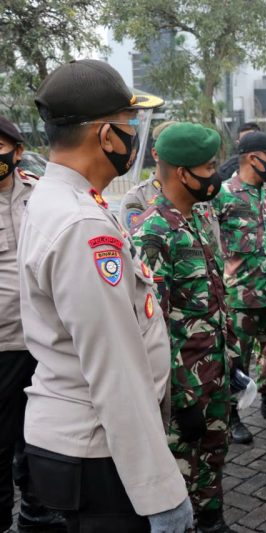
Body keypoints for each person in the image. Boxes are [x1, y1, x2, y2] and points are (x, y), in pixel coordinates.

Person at [19, 59, 192, 532]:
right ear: (105, 135)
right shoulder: (82, 226)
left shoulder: (62, 200)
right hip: (99, 450)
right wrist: (161, 492)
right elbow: (114, 368)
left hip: (86, 441)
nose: (137, 134)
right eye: (130, 122)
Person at [131, 122, 238, 533]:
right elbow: (149, 324)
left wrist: (232, 357)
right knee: (181, 472)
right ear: (183, 174)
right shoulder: (154, 232)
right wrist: (182, 395)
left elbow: (211, 299)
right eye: (209, 167)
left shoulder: (195, 218)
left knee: (213, 457)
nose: (216, 174)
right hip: (183, 390)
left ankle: (212, 519)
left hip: (215, 374)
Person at [0, 116, 65, 532]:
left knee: (38, 432)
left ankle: (36, 510)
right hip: (2, 344)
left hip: (42, 341)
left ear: (16, 151)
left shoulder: (39, 194)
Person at [214, 132, 266, 446]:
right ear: (251, 158)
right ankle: (232, 414)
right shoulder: (223, 195)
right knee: (237, 359)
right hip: (240, 296)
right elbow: (211, 243)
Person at [119, 120, 176, 230]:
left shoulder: (199, 193)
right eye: (174, 149)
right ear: (156, 154)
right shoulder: (137, 199)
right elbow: (137, 244)